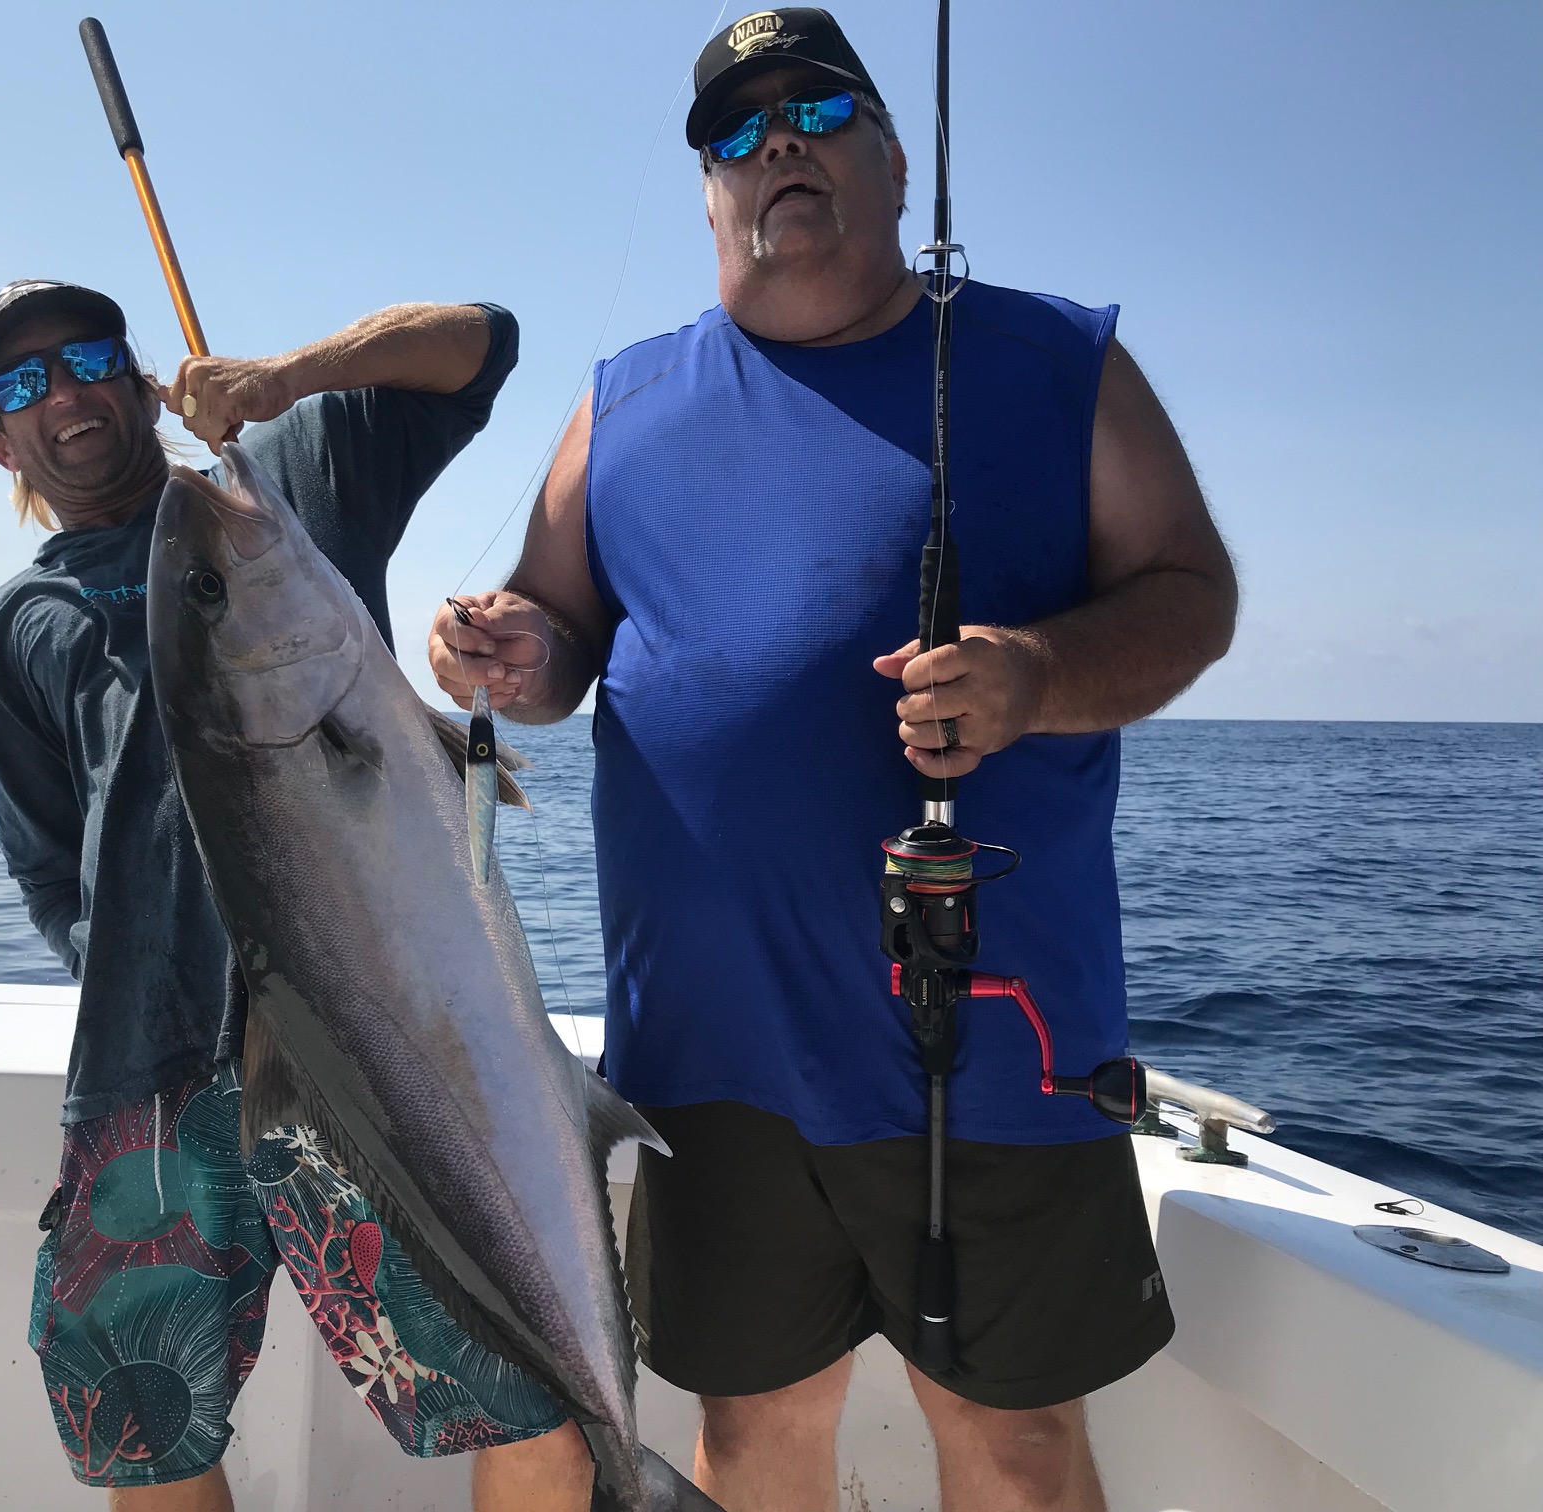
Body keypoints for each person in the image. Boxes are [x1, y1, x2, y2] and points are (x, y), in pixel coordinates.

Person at [428, 10, 1237, 1512]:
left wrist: (1040, 675)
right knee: (754, 1440)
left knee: (1016, 1443)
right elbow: (553, 637)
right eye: (736, 130)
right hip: (710, 1056)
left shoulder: (1057, 360)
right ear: (707, 192)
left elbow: (1193, 596)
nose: (776, 142)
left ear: (892, 155)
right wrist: (509, 655)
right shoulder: (621, 401)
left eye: (817, 111)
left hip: (996, 1039)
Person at [0, 280, 591, 1510]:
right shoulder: (8, 630)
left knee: (527, 1402)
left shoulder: (282, 489)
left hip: (376, 1049)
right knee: (151, 1435)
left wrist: (284, 378)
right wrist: (146, 963)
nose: (65, 391)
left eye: (89, 356)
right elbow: (49, 871)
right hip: (148, 1079)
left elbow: (480, 348)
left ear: (141, 376)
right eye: (20, 383)